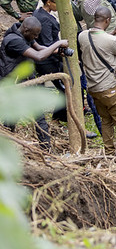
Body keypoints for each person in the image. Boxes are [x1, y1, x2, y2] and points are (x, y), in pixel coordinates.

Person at [78, 6, 116, 162]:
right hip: (110, 88)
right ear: (107, 20)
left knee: (106, 121)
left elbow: (99, 43)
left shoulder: (83, 36)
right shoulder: (111, 41)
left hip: (93, 88)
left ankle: (110, 153)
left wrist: (113, 33)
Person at [0, 16, 69, 149]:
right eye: (35, 34)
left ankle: (8, 143)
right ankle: (46, 149)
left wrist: (57, 51)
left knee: (13, 116)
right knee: (36, 114)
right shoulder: (14, 41)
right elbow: (39, 56)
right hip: (15, 84)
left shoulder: (22, 33)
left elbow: (39, 48)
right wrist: (58, 43)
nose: (36, 37)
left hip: (22, 81)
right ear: (26, 30)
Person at [33, 0, 67, 122]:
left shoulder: (38, 13)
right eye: (56, 2)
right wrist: (61, 51)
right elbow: (47, 44)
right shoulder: (45, 19)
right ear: (48, 2)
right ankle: (58, 118)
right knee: (65, 89)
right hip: (48, 61)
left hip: (45, 58)